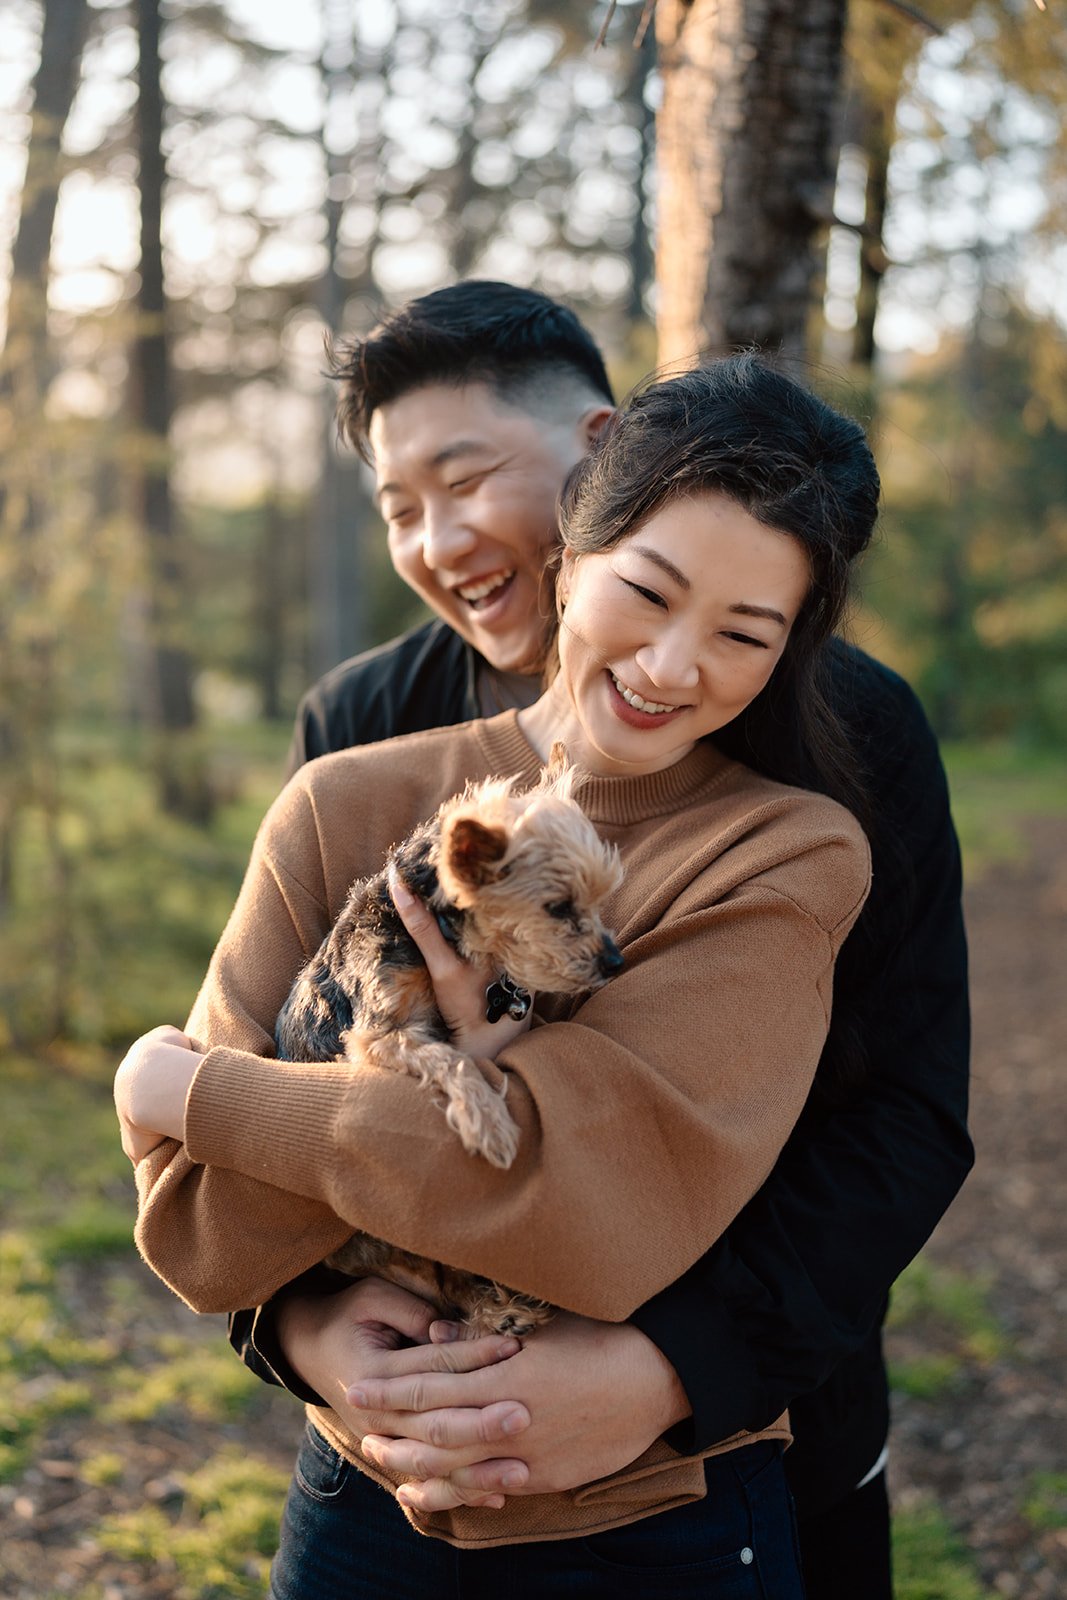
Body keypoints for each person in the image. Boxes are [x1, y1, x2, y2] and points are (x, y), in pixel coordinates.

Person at [217, 285, 969, 1599]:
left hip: (741, 1431)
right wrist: (307, 1325)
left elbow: (901, 1112)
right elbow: (279, 1072)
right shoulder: (358, 737)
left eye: (468, 478)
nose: (441, 541)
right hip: (396, 1466)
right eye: (399, 507)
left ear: (591, 463)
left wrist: (667, 1369)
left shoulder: (841, 754)